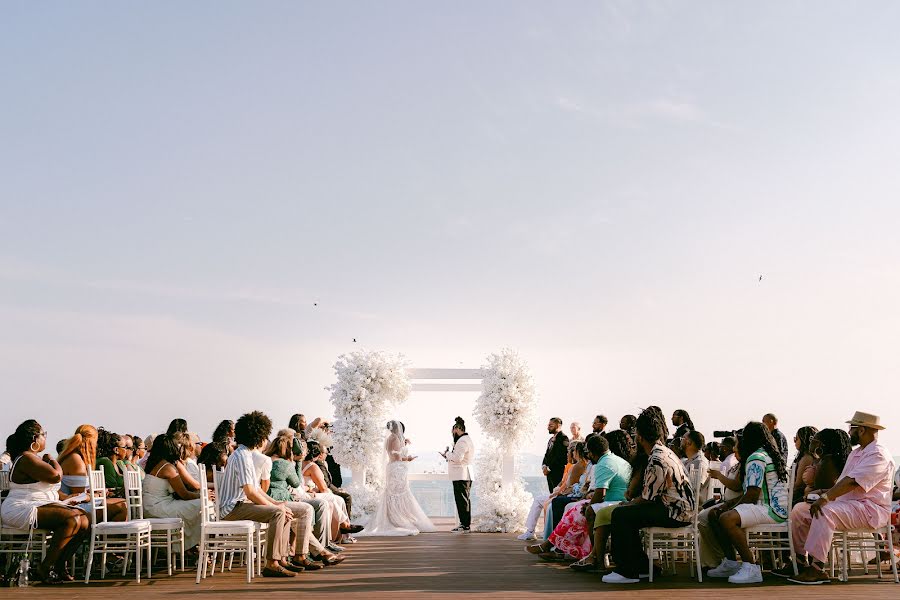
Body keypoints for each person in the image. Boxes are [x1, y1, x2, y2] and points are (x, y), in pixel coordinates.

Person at [217, 411, 338, 577]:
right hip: (232, 508)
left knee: (303, 509)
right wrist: (276, 506)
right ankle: (272, 563)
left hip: (242, 504)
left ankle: (294, 557)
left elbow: (257, 490)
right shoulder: (242, 457)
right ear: (258, 436)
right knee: (279, 512)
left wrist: (276, 503)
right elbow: (251, 492)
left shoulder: (245, 454)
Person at [782, 412, 895, 584]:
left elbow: (852, 483)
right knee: (799, 510)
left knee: (825, 511)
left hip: (870, 509)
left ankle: (818, 568)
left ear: (862, 430)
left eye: (852, 428)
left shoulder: (878, 454)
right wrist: (822, 492)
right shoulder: (856, 453)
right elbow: (842, 483)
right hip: (849, 506)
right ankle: (800, 560)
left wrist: (826, 497)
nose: (849, 432)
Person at [602, 408, 694, 584]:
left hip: (676, 513)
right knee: (628, 516)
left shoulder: (657, 459)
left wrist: (625, 504)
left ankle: (627, 572)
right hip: (678, 509)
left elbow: (646, 498)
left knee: (621, 515)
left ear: (640, 437)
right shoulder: (663, 451)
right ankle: (642, 567)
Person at [1, 420, 91, 583]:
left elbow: (48, 489)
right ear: (35, 439)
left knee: (85, 520)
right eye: (43, 435)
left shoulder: (33, 458)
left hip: (39, 504)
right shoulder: (27, 458)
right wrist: (52, 460)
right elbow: (55, 476)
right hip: (21, 508)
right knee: (72, 519)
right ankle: (44, 568)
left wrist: (69, 499)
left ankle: (58, 564)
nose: (45, 438)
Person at [706, 421, 789, 584]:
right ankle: (731, 563)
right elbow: (750, 493)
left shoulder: (756, 457)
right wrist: (727, 505)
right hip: (769, 507)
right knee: (714, 514)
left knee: (726, 518)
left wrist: (729, 509)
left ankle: (751, 567)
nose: (738, 443)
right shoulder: (764, 454)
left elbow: (752, 495)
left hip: (771, 509)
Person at [357, 420, 436, 536]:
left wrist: (404, 443)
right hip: (397, 469)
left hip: (392, 468)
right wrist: (408, 458)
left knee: (393, 494)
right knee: (400, 494)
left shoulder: (390, 438)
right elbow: (397, 457)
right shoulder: (395, 439)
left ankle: (394, 516)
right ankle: (399, 519)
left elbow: (393, 452)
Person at [567, 432, 633, 569]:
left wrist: (589, 506)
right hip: (624, 500)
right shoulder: (617, 459)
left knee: (590, 511)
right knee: (589, 508)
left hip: (617, 501)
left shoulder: (603, 464)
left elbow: (600, 494)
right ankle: (594, 556)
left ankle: (596, 558)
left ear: (591, 452)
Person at [141, 433, 202, 550]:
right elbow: (184, 494)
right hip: (158, 508)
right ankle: (195, 546)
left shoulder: (156, 464)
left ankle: (191, 545)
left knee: (199, 505)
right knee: (203, 506)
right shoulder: (167, 468)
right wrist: (203, 497)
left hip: (152, 506)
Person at [300, 440, 362, 546]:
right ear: (318, 454)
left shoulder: (300, 464)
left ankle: (340, 533)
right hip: (307, 495)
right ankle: (342, 529)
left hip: (307, 492)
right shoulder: (312, 466)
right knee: (335, 499)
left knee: (337, 499)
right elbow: (324, 488)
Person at [442, 416, 474, 532]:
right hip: (464, 474)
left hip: (462, 475)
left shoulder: (462, 441)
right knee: (463, 500)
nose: (452, 433)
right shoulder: (466, 440)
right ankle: (464, 524)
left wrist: (447, 454)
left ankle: (465, 525)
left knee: (462, 500)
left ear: (458, 429)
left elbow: (458, 458)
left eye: (453, 431)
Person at [792, 426, 819, 505]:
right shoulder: (813, 456)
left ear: (804, 440)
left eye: (796, 439)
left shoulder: (807, 458)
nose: (794, 441)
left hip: (800, 496)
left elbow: (798, 484)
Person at [682, 430, 710, 504]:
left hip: (691, 505)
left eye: (683, 438)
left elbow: (695, 490)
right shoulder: (687, 461)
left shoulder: (700, 463)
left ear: (689, 442)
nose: (681, 441)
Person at [542, 417, 570, 492]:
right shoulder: (550, 440)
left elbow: (561, 456)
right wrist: (544, 466)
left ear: (558, 426)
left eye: (551, 426)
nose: (548, 428)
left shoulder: (563, 438)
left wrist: (548, 468)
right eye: (548, 425)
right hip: (549, 474)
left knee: (555, 493)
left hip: (557, 473)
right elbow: (546, 454)